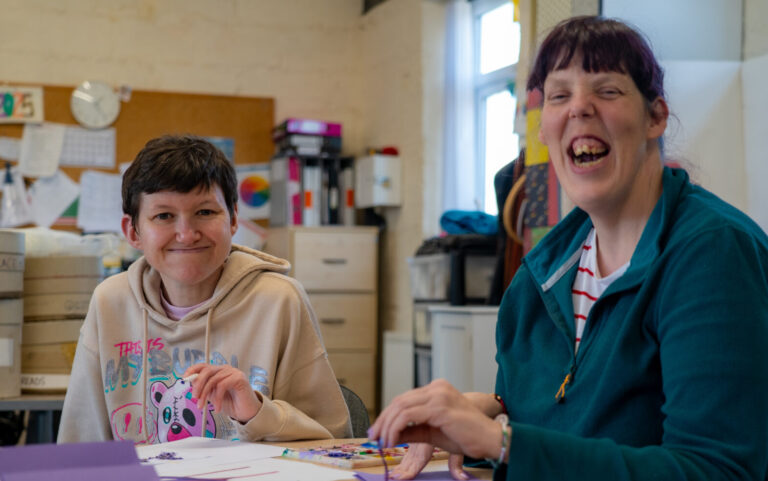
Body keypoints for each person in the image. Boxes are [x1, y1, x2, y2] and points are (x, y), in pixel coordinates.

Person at [369, 15, 768, 481]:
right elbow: (567, 436)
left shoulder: (713, 254)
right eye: (559, 95)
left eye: (607, 90)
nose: (579, 108)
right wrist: (497, 409)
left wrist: (501, 442)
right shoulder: (540, 275)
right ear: (543, 129)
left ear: (656, 116)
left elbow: (716, 470)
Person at [59, 135, 352, 444]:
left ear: (234, 218)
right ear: (133, 232)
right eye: (164, 216)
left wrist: (258, 414)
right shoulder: (110, 301)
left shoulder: (279, 300)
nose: (186, 234)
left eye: (205, 212)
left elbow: (334, 440)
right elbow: (79, 444)